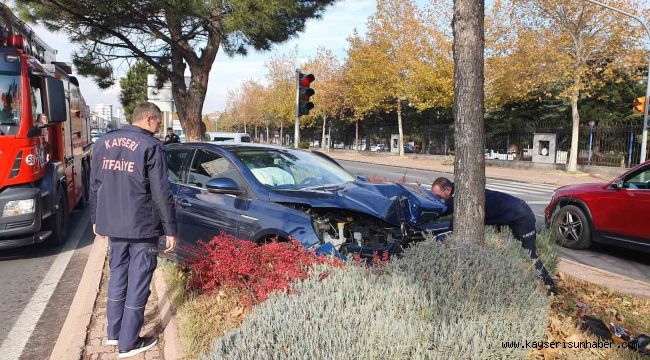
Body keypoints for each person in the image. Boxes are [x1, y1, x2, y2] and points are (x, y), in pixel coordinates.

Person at [90, 102, 177, 358]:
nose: (158, 128)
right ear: (149, 119)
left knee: (118, 277)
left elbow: (95, 184)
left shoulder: (102, 143)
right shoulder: (151, 147)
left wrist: (96, 218)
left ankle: (113, 333)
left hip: (114, 225)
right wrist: (170, 228)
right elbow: (162, 192)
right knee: (138, 281)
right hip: (142, 226)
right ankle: (128, 343)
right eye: (158, 123)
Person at [430, 177, 556, 293]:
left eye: (438, 196)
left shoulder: (461, 196)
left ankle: (549, 286)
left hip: (521, 216)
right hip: (510, 215)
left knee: (529, 254)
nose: (438, 199)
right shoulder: (463, 188)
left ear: (448, 190)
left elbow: (442, 209)